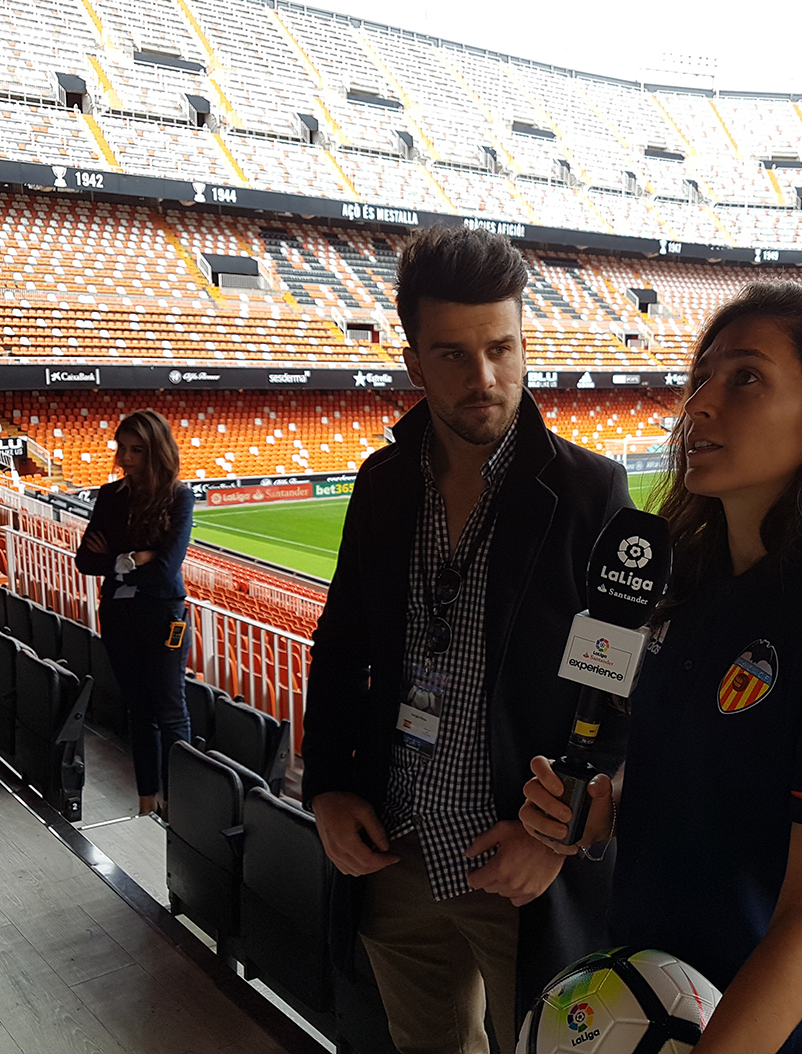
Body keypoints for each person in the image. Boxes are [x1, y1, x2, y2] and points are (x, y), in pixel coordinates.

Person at [521, 283, 802, 1054]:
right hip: (646, 1007)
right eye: (701, 379)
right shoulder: (688, 584)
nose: (700, 406)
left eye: (745, 378)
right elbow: (700, 781)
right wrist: (600, 811)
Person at [301, 225, 633, 1054]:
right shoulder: (380, 486)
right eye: (452, 355)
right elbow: (340, 646)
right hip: (396, 846)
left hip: (515, 861)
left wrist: (557, 836)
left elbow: (615, 683)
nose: (484, 379)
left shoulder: (591, 493)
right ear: (414, 362)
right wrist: (328, 789)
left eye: (502, 348)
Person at [74, 409, 194, 818]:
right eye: (122, 448)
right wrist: (132, 559)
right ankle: (147, 801)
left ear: (155, 451)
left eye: (137, 450)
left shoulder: (179, 496)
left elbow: (167, 568)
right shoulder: (110, 496)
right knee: (139, 712)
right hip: (119, 617)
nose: (125, 458)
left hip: (163, 616)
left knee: (169, 709)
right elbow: (85, 561)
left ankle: (180, 804)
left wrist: (117, 560)